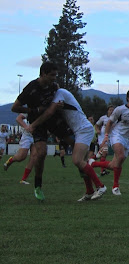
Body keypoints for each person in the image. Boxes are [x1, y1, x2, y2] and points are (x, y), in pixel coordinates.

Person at [28, 88, 107, 201]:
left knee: (77, 160)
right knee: (82, 163)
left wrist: (34, 124)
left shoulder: (60, 93)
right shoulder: (58, 95)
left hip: (83, 129)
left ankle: (101, 186)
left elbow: (50, 112)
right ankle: (89, 191)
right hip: (79, 130)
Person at [11, 61, 73, 201]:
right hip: (37, 123)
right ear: (43, 74)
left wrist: (60, 104)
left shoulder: (54, 86)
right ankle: (38, 186)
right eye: (52, 75)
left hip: (53, 119)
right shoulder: (31, 88)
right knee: (42, 152)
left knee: (73, 141)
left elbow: (58, 99)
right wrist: (32, 110)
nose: (54, 78)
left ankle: (88, 177)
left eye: (55, 75)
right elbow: (14, 108)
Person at [89, 87, 129, 195]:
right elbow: (109, 123)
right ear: (127, 98)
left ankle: (93, 164)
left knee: (115, 165)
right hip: (117, 135)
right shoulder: (120, 109)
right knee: (121, 156)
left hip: (128, 139)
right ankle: (115, 186)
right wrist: (107, 136)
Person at [3, 114, 35, 184]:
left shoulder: (45, 110)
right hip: (27, 136)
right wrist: (26, 127)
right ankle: (10, 160)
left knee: (34, 157)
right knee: (21, 157)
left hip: (37, 136)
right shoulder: (31, 110)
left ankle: (23, 179)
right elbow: (18, 118)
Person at [95, 105, 114, 176]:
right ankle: (101, 170)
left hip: (109, 137)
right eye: (110, 110)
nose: (111, 111)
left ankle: (91, 161)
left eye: (113, 110)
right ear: (108, 111)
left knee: (102, 154)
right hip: (102, 137)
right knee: (104, 152)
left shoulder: (115, 119)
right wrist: (97, 130)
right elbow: (96, 125)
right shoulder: (103, 118)